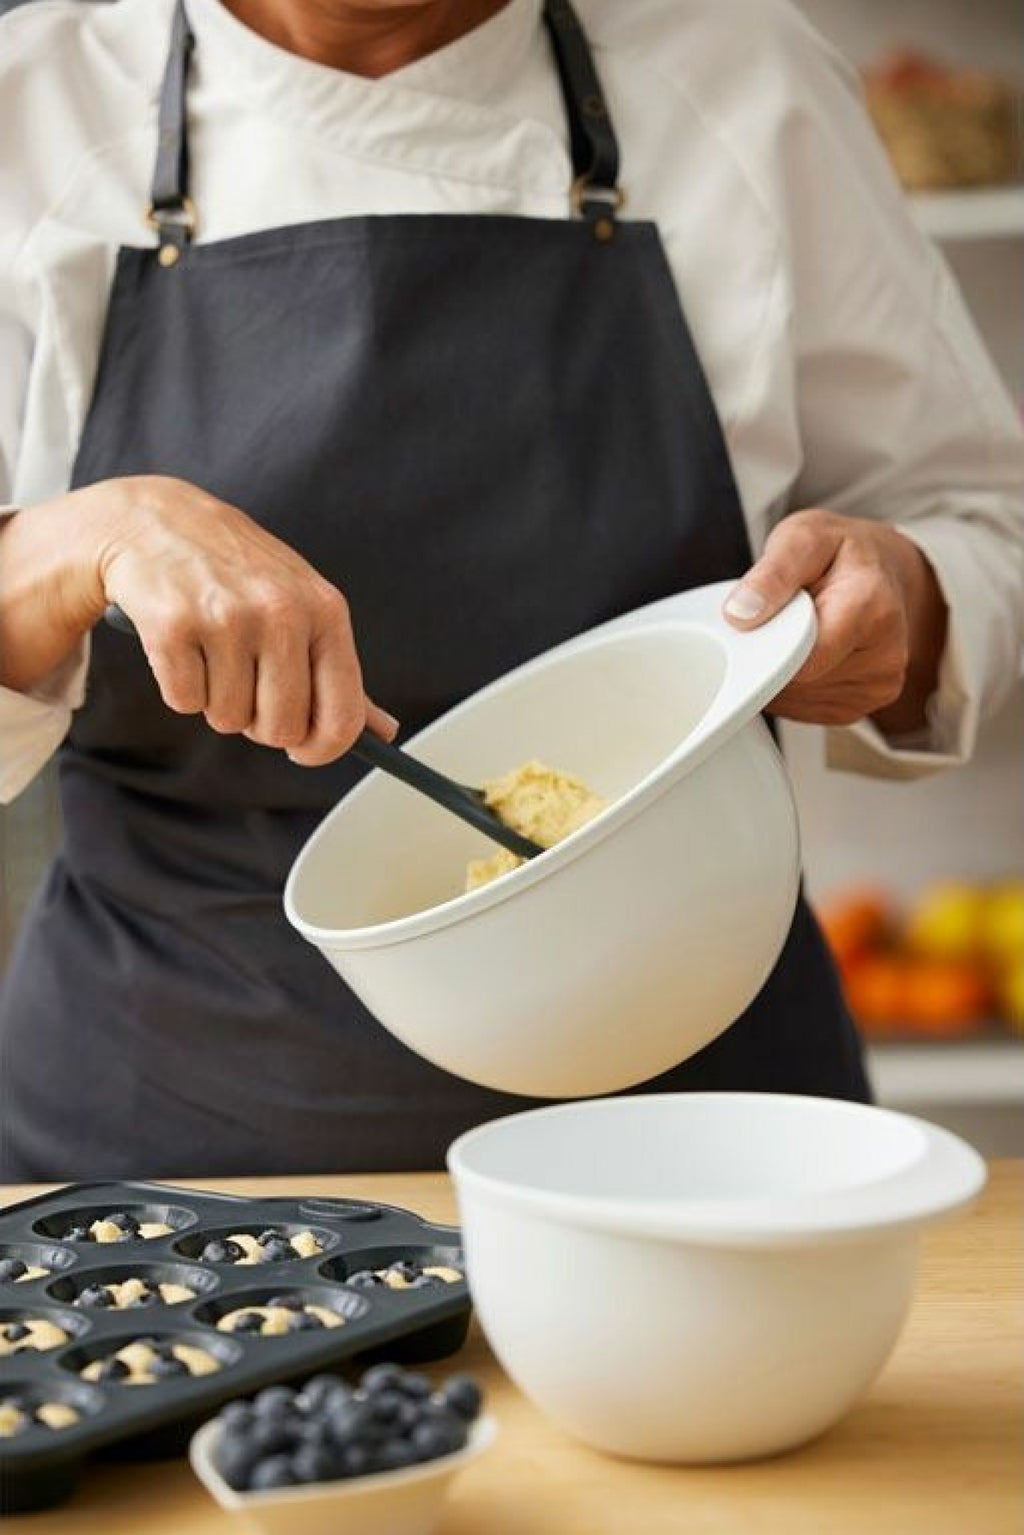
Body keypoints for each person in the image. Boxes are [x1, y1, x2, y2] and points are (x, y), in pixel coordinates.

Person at [1, 0, 1021, 1180]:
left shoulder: (747, 78)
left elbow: (978, 517)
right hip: (175, 1153)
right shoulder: (36, 103)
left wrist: (910, 588)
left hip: (704, 1140)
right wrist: (69, 545)